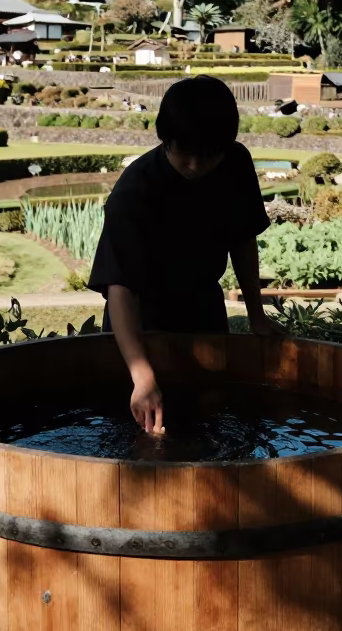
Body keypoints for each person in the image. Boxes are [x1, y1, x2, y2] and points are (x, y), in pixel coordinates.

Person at [89, 77, 272, 434]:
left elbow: (243, 239)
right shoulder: (134, 190)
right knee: (137, 434)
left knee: (212, 424)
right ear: (165, 140)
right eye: (182, 153)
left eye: (206, 156)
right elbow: (120, 289)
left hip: (203, 306)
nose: (193, 165)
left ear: (225, 146)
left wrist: (256, 314)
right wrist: (141, 376)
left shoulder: (236, 162)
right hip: (139, 320)